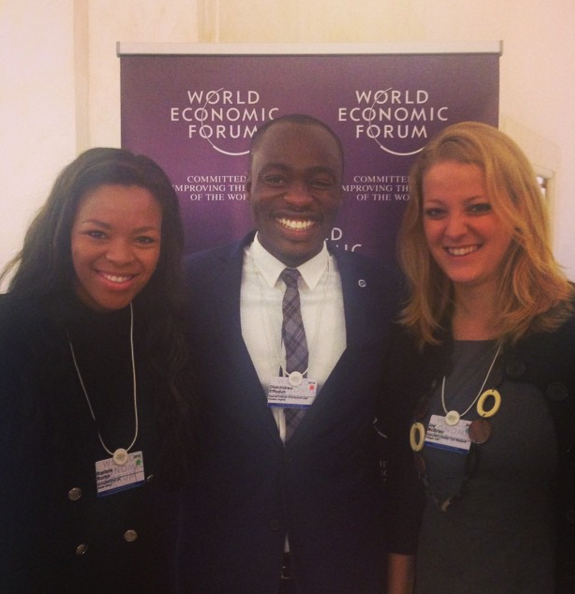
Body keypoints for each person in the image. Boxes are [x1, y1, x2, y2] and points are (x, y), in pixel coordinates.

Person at [178, 114, 404, 594]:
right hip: (220, 569)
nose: (298, 198)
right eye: (276, 178)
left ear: (340, 192)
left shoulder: (385, 293)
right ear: (248, 186)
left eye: (319, 182)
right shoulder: (188, 286)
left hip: (344, 573)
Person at [383, 121, 575, 594]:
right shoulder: (416, 338)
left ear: (520, 210)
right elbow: (404, 494)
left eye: (478, 207)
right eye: (436, 212)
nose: (454, 229)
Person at [0, 148, 194, 593]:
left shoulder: (166, 331)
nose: (121, 256)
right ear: (61, 233)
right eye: (97, 233)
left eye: (143, 239)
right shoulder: (12, 331)